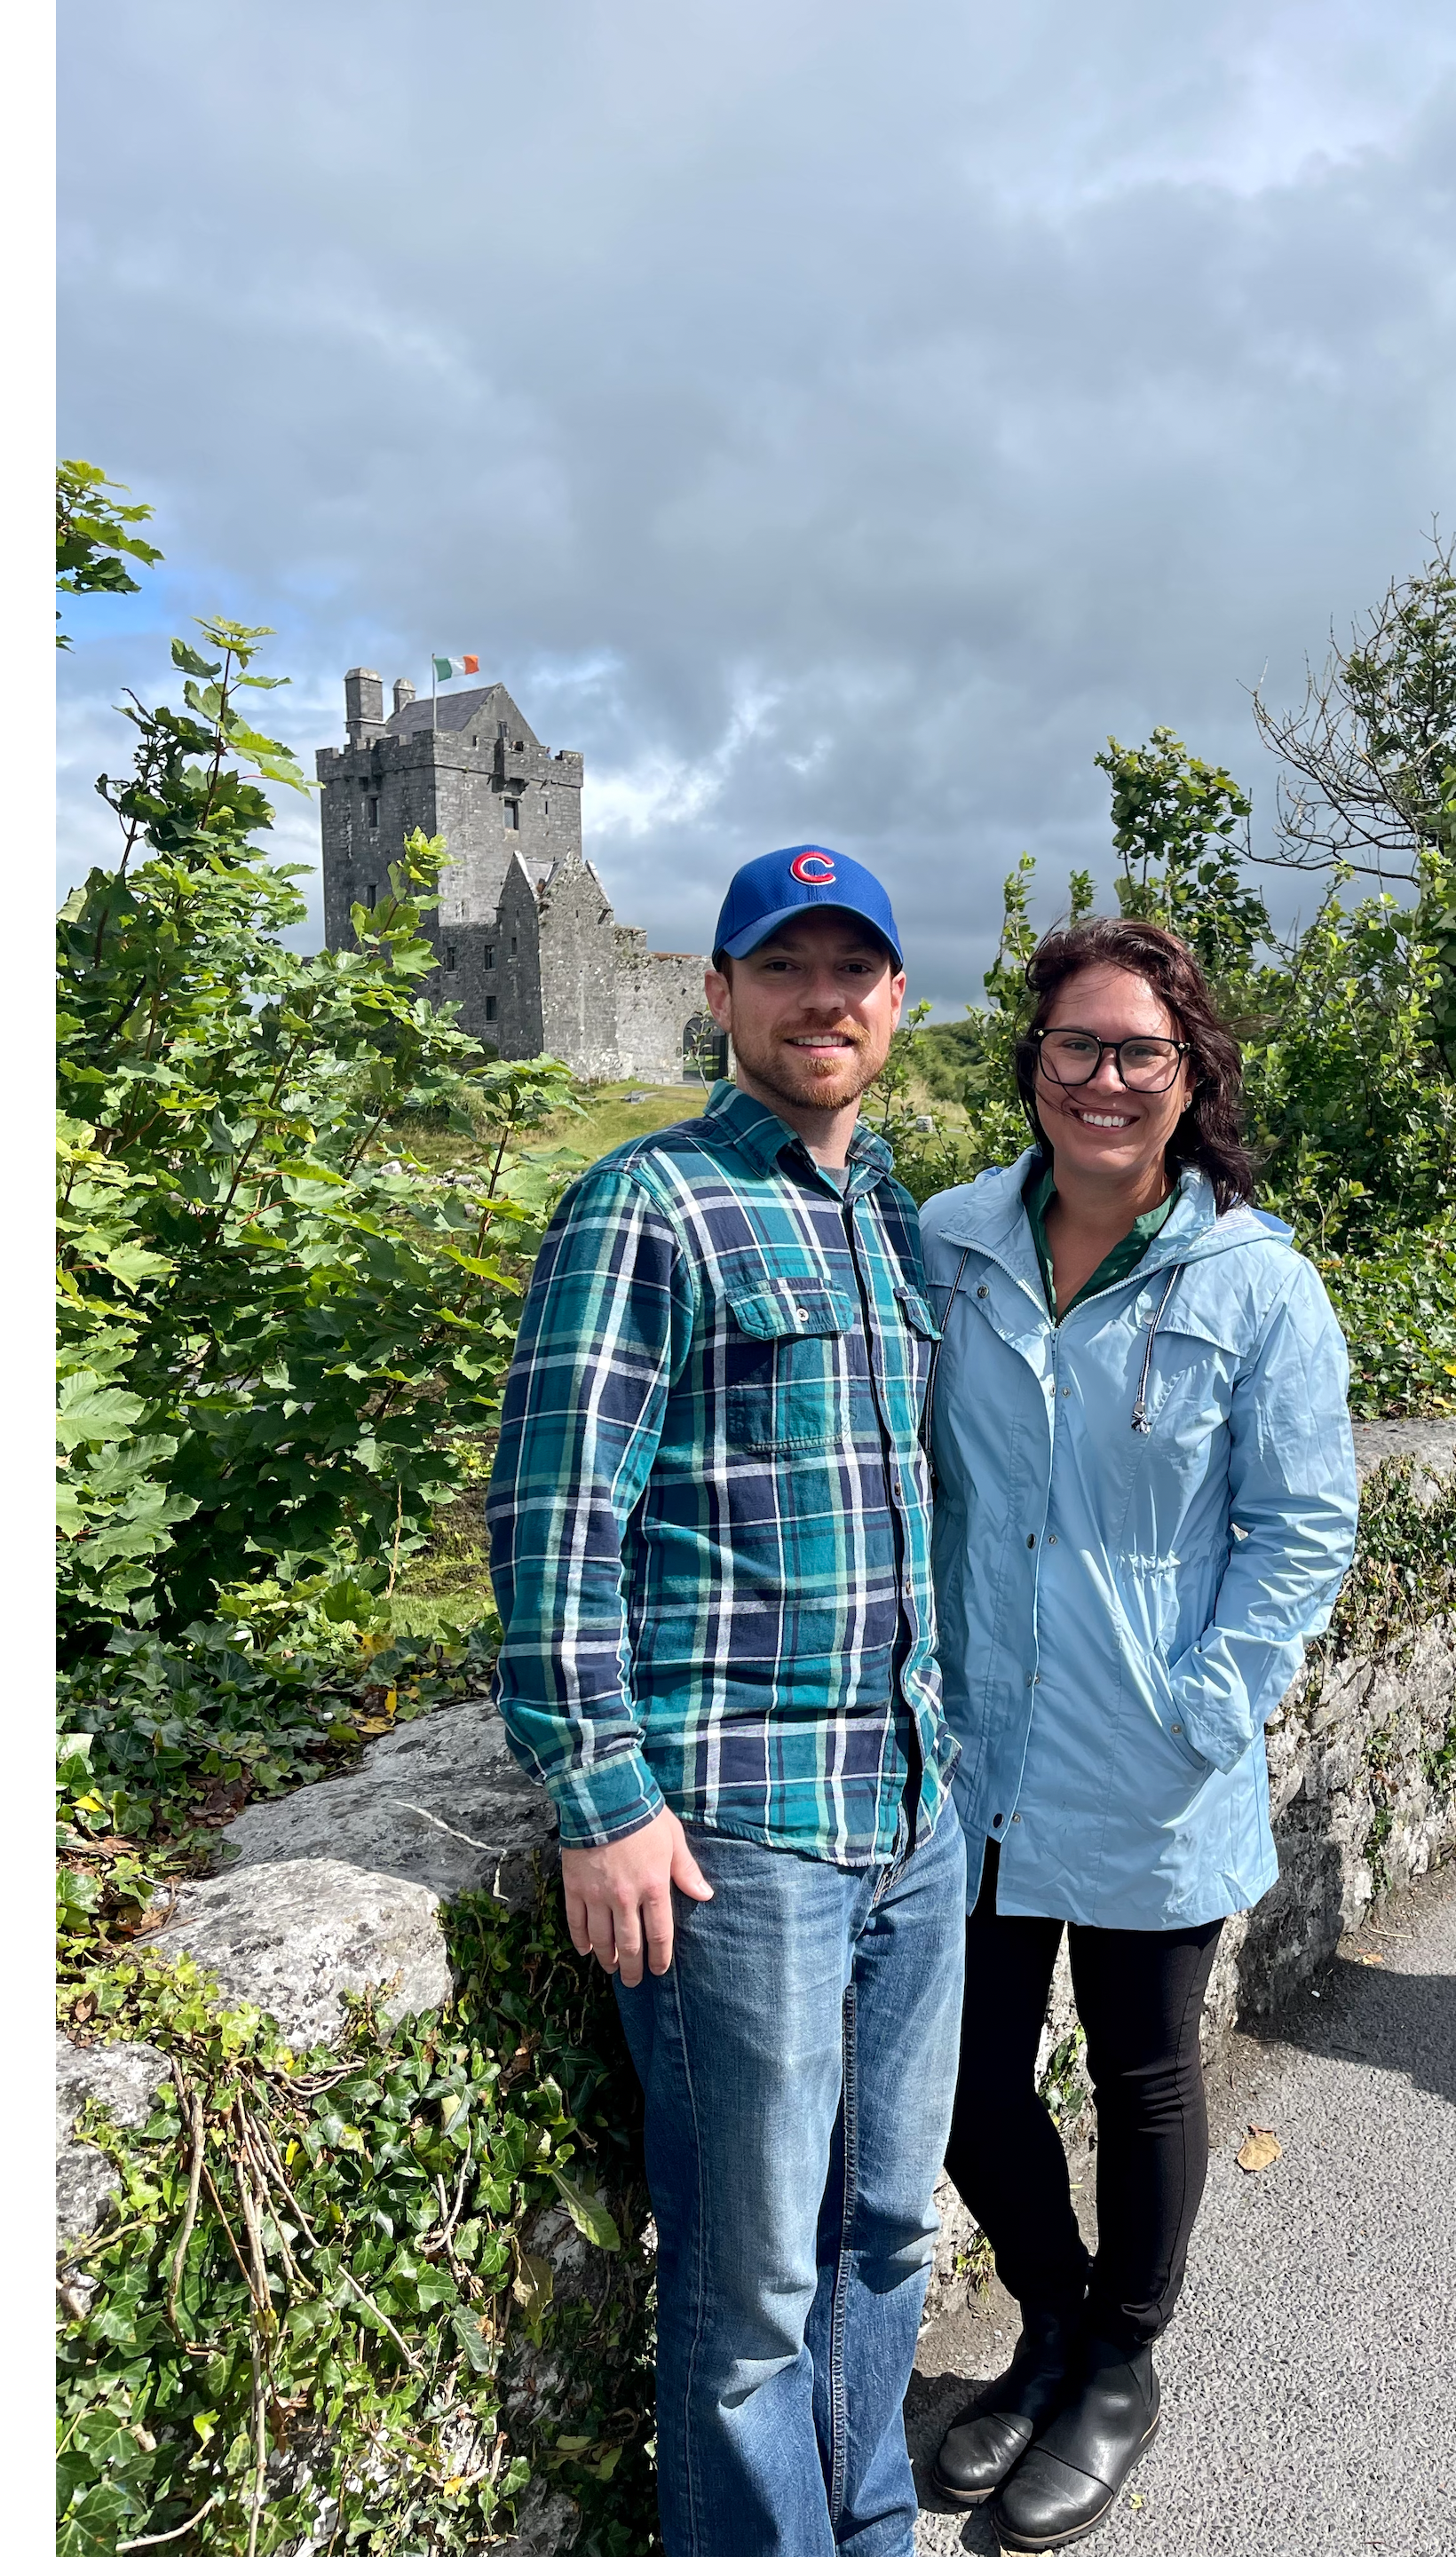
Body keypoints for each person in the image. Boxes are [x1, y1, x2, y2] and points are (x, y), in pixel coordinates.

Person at [488, 845, 962, 2557]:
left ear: (897, 1002)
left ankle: (872, 2536)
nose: (821, 998)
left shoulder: (891, 1221)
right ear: (721, 992)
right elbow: (554, 1521)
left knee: (888, 2230)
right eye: (785, 968)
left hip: (908, 1813)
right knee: (754, 2288)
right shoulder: (649, 1203)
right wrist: (600, 1795)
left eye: (855, 970)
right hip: (740, 1837)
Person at [916, 915, 1359, 2550]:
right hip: (969, 1750)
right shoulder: (948, 1244)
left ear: (1190, 1079)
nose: (1103, 1081)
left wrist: (1209, 1698)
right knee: (961, 2074)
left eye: (1138, 1054)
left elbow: (1302, 1526)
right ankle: (1047, 2319)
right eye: (1074, 1049)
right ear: (1031, 1065)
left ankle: (1122, 2359)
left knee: (1145, 2070)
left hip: (1149, 1757)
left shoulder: (1259, 1284)